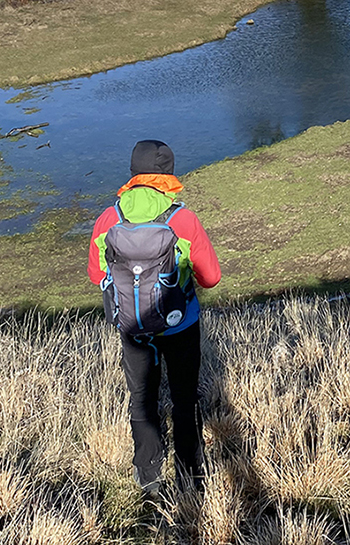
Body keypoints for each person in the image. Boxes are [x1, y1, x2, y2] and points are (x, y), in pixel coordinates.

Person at [88, 139, 221, 497]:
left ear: (133, 174)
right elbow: (211, 277)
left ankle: (147, 474)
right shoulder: (183, 219)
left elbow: (95, 275)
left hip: (132, 327)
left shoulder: (108, 218)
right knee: (184, 398)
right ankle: (190, 479)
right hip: (181, 322)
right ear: (168, 176)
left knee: (142, 397)